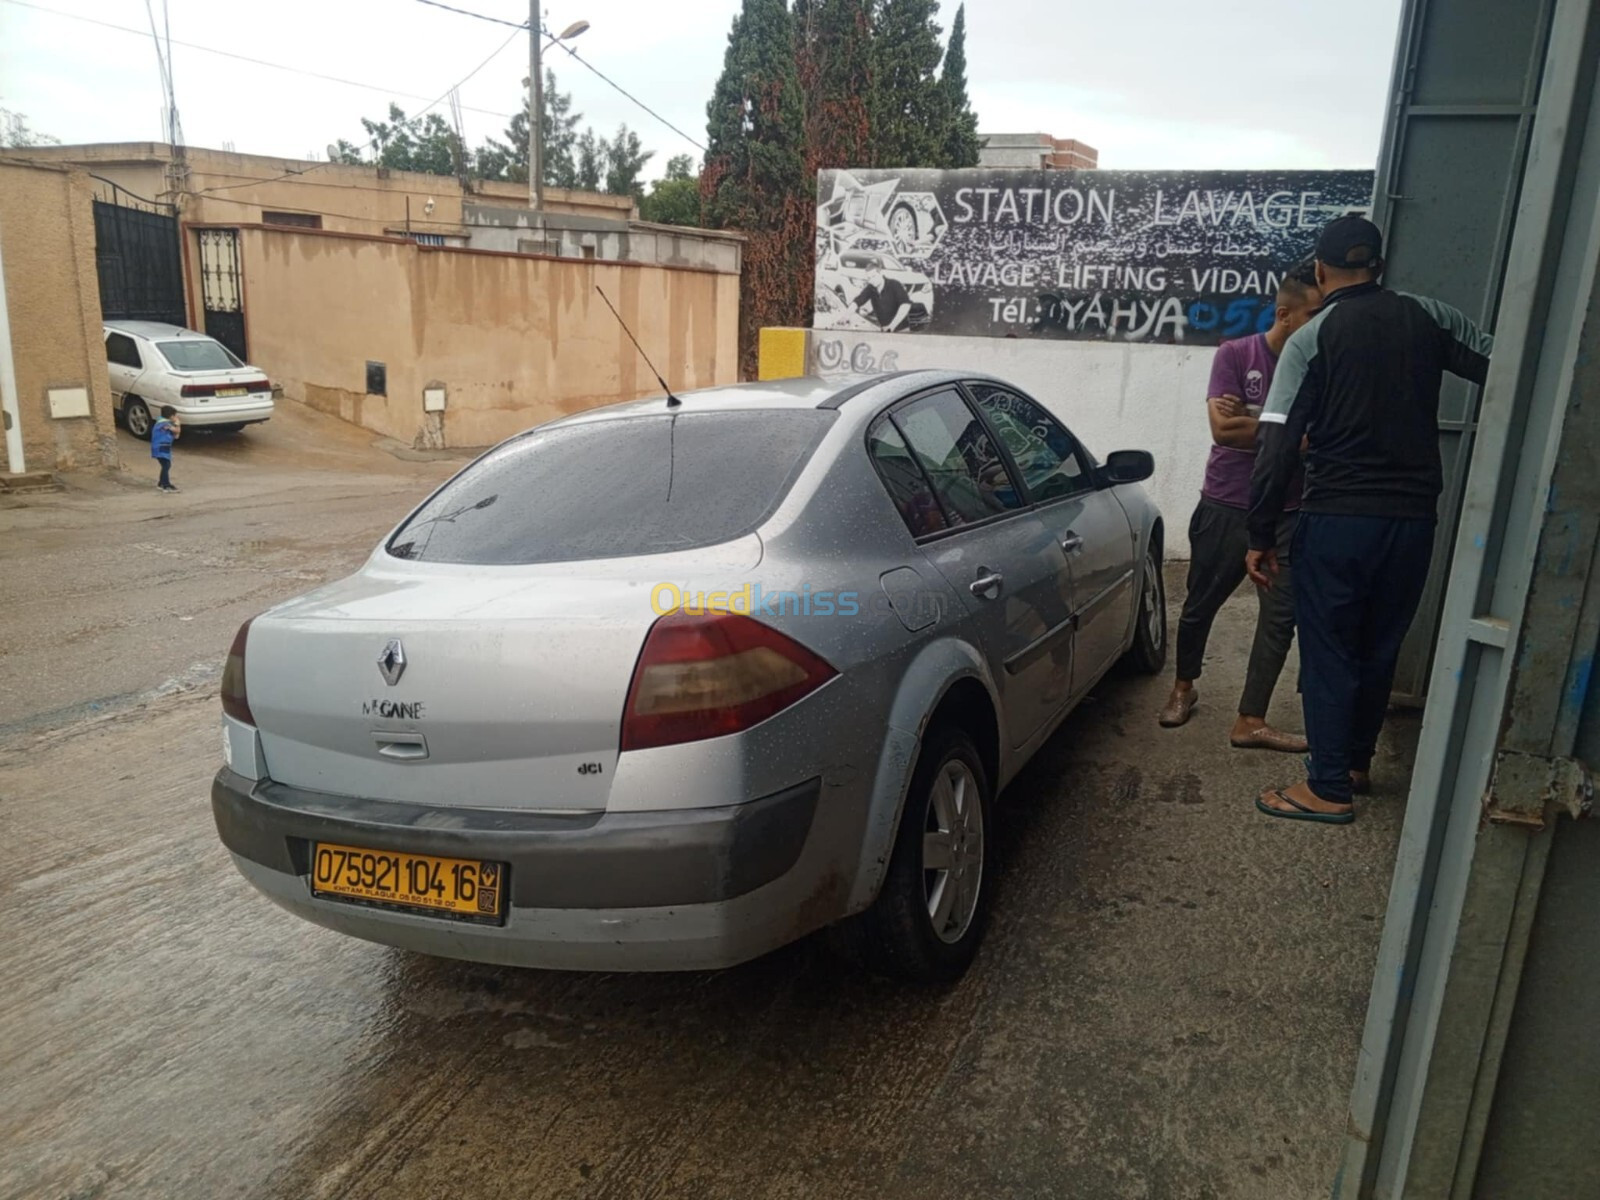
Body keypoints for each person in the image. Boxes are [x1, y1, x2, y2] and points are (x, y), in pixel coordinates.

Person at [1246, 215, 1492, 823]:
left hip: (1338, 518)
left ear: (1323, 272)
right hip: (1412, 520)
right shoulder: (1431, 316)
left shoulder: (1312, 339)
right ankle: (1354, 761)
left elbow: (1277, 448)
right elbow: (1507, 368)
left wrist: (1258, 535)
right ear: (1379, 267)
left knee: (1330, 648)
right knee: (1380, 644)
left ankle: (1326, 788)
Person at [1158, 263, 1322, 752]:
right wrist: (1294, 433)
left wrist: (1257, 420)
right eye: (1316, 313)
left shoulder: (1317, 366)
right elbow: (1222, 431)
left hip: (1289, 512)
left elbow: (1318, 436)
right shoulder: (1236, 354)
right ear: (1285, 314)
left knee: (1279, 617)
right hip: (1226, 505)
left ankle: (1250, 719)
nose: (1324, 322)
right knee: (1199, 607)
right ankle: (1183, 688)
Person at [853, 262, 913, 332]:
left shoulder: (894, 284)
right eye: (869, 278)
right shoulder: (871, 287)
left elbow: (905, 305)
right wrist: (845, 316)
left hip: (901, 330)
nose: (871, 280)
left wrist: (892, 326)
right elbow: (858, 301)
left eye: (873, 276)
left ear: (881, 274)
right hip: (884, 330)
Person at [151, 406, 181, 493]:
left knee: (166, 465)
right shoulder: (163, 424)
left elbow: (176, 436)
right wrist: (177, 423)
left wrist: (177, 425)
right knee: (166, 465)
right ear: (171, 416)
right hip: (160, 447)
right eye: (174, 415)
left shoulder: (165, 423)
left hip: (164, 446)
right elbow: (176, 431)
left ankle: (161, 483)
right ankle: (166, 485)